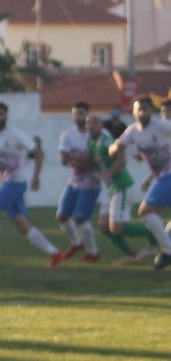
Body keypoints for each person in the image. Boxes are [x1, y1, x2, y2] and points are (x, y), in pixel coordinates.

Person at [0, 101, 63, 267]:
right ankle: (55, 253)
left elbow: (38, 153)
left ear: (6, 116)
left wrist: (36, 177)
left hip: (16, 182)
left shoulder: (15, 134)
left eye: (2, 114)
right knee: (22, 225)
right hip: (6, 183)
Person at [109, 95, 171, 268]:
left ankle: (167, 250)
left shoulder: (161, 126)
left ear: (151, 111)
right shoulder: (133, 131)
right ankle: (166, 250)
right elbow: (116, 145)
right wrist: (114, 149)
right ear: (134, 112)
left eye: (146, 109)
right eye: (139, 109)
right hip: (162, 176)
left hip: (169, 174)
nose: (142, 112)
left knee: (145, 211)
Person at [87, 112, 157, 263]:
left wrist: (106, 173)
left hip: (122, 186)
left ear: (100, 125)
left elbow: (122, 161)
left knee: (116, 228)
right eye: (88, 124)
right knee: (104, 226)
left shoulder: (106, 142)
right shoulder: (90, 142)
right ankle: (131, 254)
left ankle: (154, 233)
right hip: (111, 189)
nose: (90, 126)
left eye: (93, 123)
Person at [55, 101, 102, 263]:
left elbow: (94, 160)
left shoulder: (96, 134)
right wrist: (84, 159)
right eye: (75, 114)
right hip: (74, 180)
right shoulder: (67, 134)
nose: (78, 117)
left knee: (80, 218)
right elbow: (63, 159)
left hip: (91, 181)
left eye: (81, 113)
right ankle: (76, 243)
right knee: (61, 216)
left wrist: (76, 159)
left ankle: (93, 252)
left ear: (88, 114)